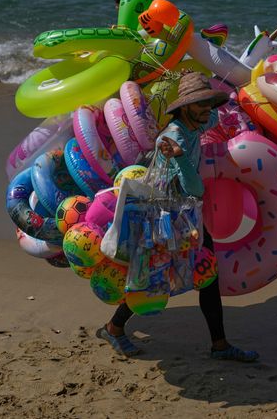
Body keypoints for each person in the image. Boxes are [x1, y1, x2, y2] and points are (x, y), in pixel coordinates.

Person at [96, 72, 260, 362]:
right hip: (164, 222)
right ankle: (113, 327)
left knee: (208, 276)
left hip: (185, 216)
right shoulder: (171, 139)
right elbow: (194, 189)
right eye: (200, 105)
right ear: (185, 107)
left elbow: (214, 119)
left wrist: (232, 98)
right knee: (152, 281)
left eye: (208, 103)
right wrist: (182, 156)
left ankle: (220, 345)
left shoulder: (196, 122)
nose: (206, 110)